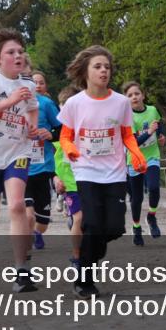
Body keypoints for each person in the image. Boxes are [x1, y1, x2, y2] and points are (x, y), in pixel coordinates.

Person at [58, 45, 146, 298]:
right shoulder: (75, 103)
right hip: (86, 171)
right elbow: (64, 135)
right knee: (93, 224)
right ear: (85, 71)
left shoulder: (120, 102)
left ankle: (88, 255)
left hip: (115, 172)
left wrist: (137, 155)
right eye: (97, 66)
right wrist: (70, 148)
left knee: (115, 227)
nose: (103, 71)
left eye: (107, 67)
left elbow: (127, 135)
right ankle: (84, 280)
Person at [0, 28, 48, 293]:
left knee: (16, 205)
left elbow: (33, 108)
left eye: (20, 52)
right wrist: (9, 102)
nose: (17, 56)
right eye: (10, 52)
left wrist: (34, 129)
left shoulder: (28, 84)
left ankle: (22, 272)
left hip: (18, 152)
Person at [123, 81, 166, 244]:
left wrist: (161, 135)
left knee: (154, 187)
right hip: (134, 159)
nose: (134, 97)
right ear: (126, 100)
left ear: (143, 95)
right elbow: (134, 142)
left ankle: (152, 216)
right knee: (137, 198)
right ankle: (136, 227)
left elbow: (158, 124)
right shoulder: (128, 118)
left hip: (152, 156)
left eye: (137, 93)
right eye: (130, 95)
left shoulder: (153, 110)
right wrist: (149, 132)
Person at [27, 68, 62, 252]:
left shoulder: (47, 104)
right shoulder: (16, 103)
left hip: (43, 166)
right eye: (34, 82)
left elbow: (62, 131)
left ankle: (36, 233)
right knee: (26, 207)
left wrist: (50, 134)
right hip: (21, 167)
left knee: (43, 218)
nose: (37, 85)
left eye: (41, 82)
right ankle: (25, 236)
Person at [53, 84, 84, 271]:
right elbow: (51, 158)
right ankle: (76, 258)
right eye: (62, 105)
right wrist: (56, 178)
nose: (65, 110)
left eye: (69, 105)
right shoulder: (57, 130)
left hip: (90, 179)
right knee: (80, 218)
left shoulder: (88, 125)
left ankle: (88, 253)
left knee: (92, 222)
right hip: (70, 183)